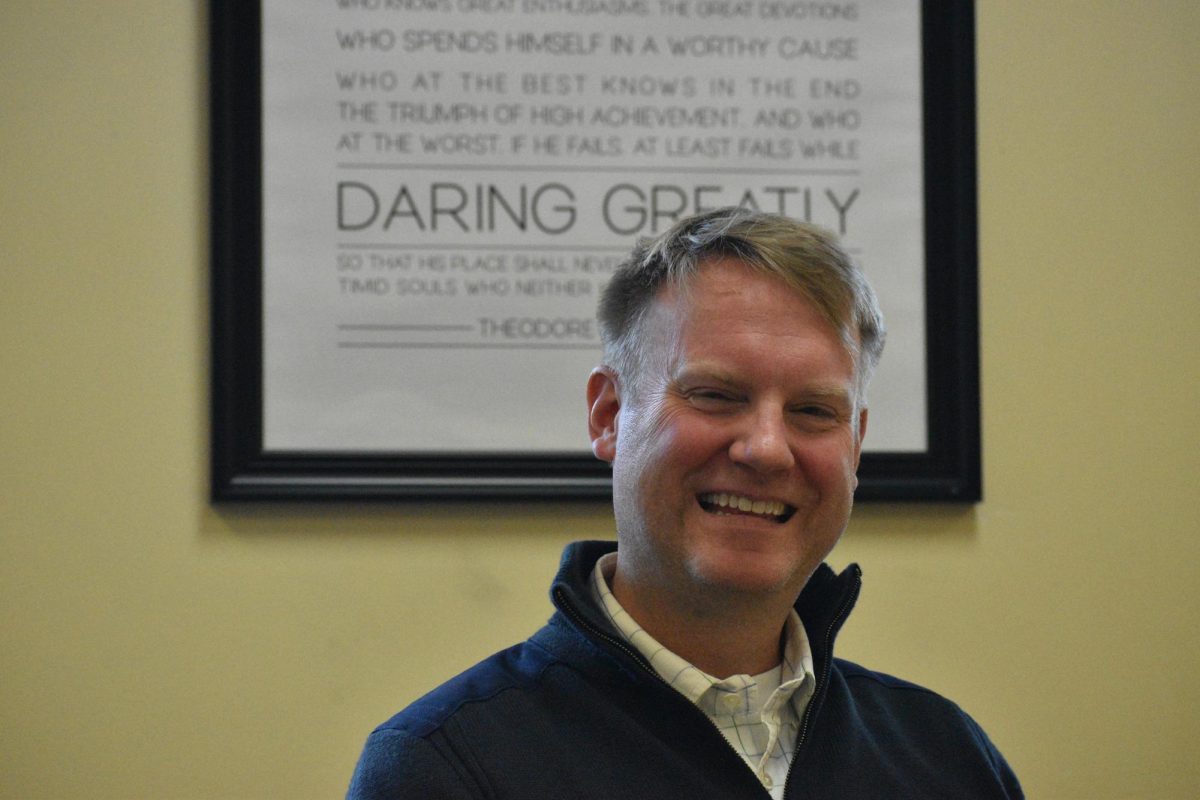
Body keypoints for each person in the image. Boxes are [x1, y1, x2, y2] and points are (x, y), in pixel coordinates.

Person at [347, 207, 1022, 799]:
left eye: (814, 411)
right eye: (715, 395)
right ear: (610, 415)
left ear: (855, 447)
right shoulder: (446, 770)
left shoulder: (949, 757)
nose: (766, 449)